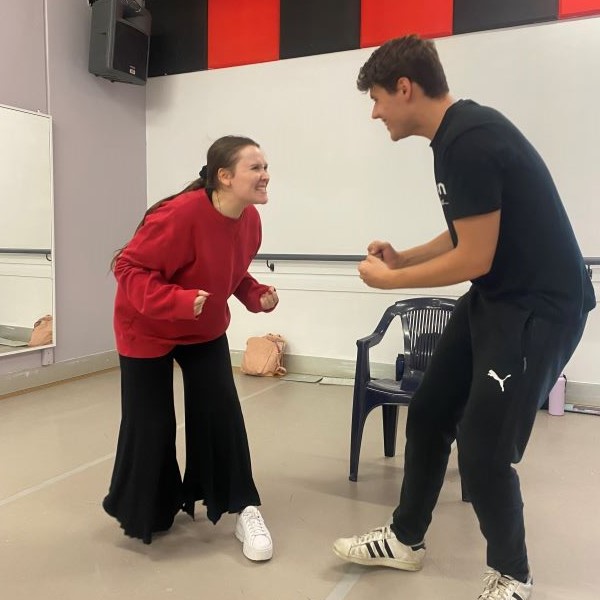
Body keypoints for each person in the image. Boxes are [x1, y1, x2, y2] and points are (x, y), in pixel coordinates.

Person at [332, 35, 595, 599]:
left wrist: (390, 281)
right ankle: (406, 540)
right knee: (429, 413)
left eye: (377, 98)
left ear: (405, 88)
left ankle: (513, 576)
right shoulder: (458, 134)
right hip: (497, 295)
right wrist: (407, 256)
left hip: (538, 308)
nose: (375, 112)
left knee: (483, 447)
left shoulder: (468, 141)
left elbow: (474, 257)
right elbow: (470, 233)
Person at [103, 135, 279, 562]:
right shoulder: (178, 215)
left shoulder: (250, 220)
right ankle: (152, 508)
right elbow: (126, 266)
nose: (265, 174)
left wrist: (254, 294)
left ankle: (242, 506)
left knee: (222, 413)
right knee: (152, 423)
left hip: (202, 328)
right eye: (254, 167)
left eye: (265, 165)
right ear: (224, 177)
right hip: (146, 326)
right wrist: (176, 302)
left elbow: (229, 270)